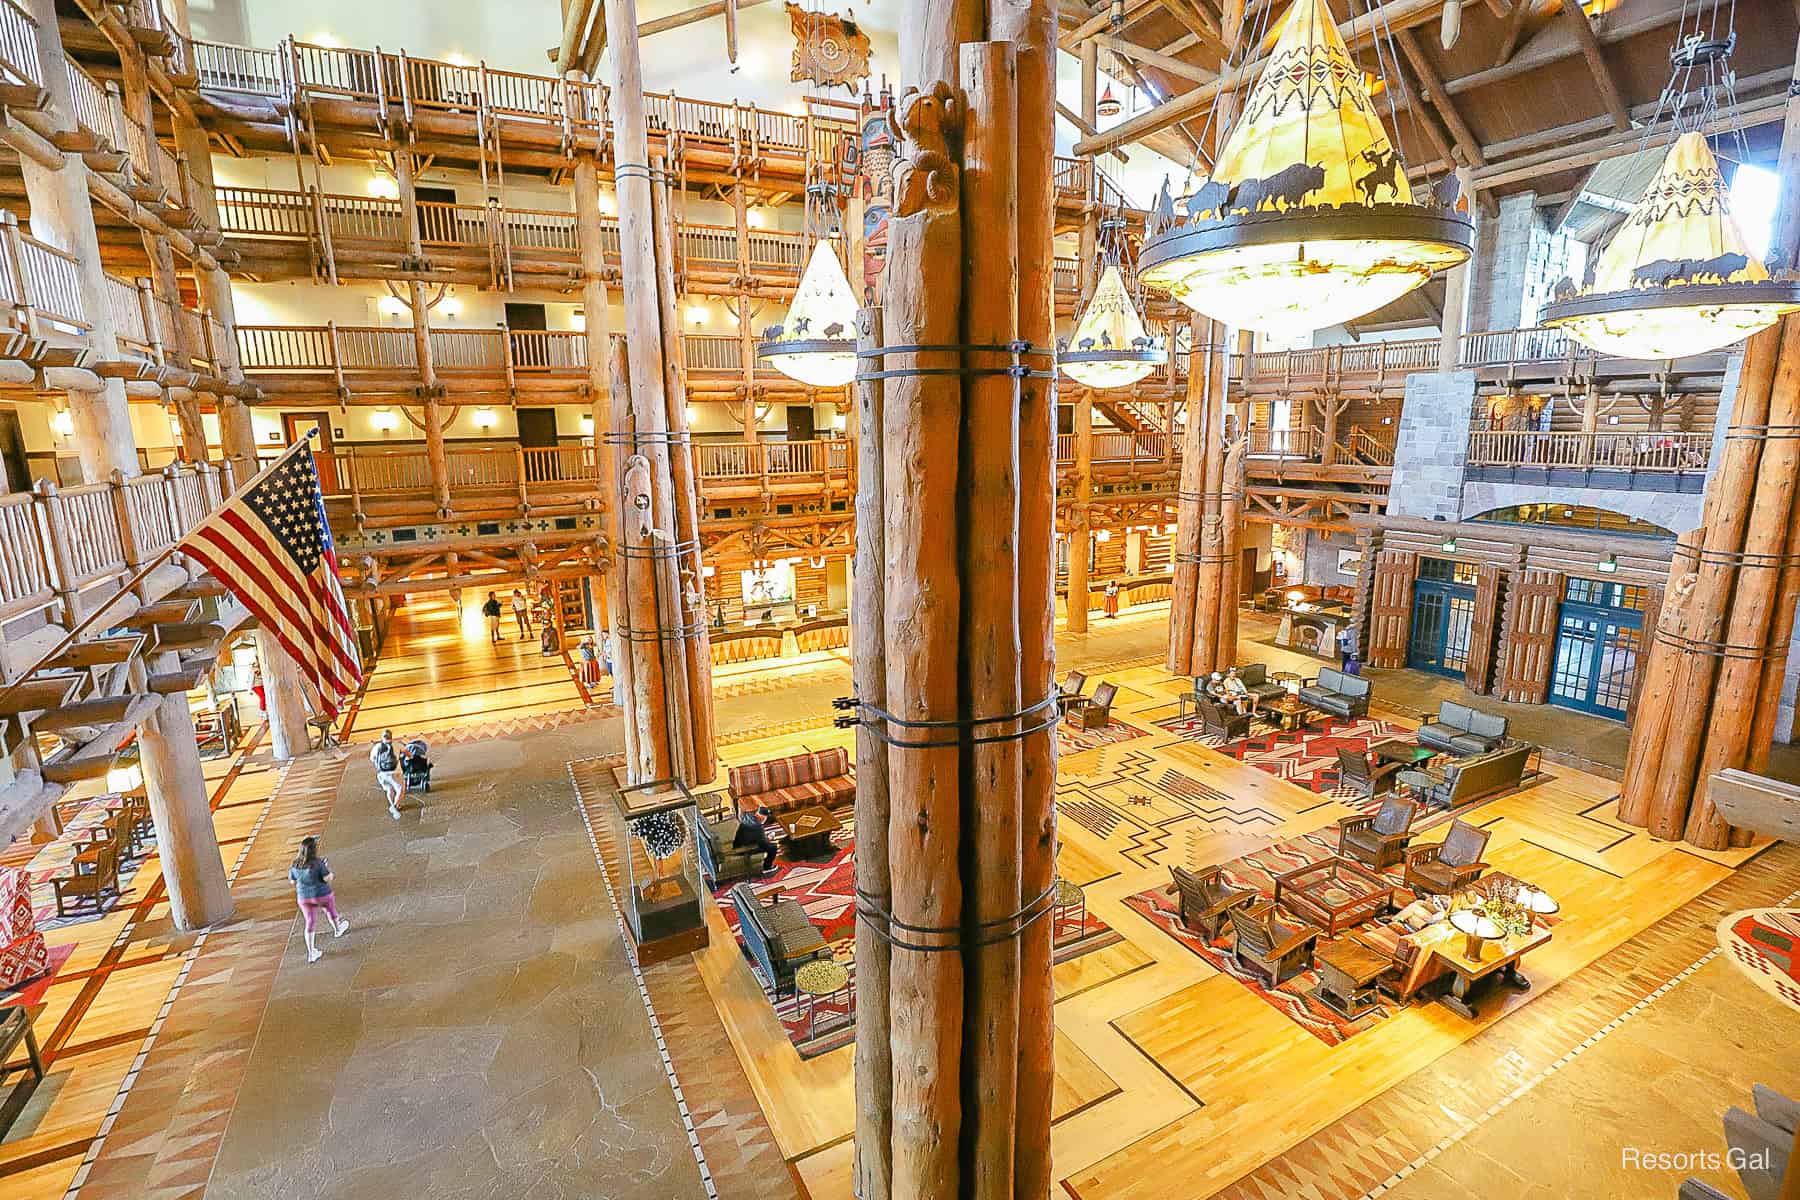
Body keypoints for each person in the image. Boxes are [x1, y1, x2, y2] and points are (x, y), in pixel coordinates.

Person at [289, 836, 349, 963]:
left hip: (304, 898)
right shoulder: (318, 863)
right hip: (321, 894)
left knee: (310, 922)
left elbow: (292, 881)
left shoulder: (295, 864)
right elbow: (327, 878)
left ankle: (311, 953)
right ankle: (338, 930)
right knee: (330, 912)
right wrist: (330, 872)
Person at [732, 797, 780, 874]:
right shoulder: (757, 827)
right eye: (765, 818)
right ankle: (767, 867)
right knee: (773, 847)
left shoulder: (746, 819)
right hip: (744, 849)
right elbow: (763, 844)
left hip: (738, 844)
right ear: (762, 817)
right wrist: (769, 838)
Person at [370, 729, 406, 819]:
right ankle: (394, 805)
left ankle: (395, 805)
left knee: (389, 790)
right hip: (395, 772)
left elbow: (372, 759)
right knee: (400, 790)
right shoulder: (397, 745)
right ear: (391, 736)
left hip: (382, 774)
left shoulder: (377, 747)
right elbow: (408, 754)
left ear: (382, 738)